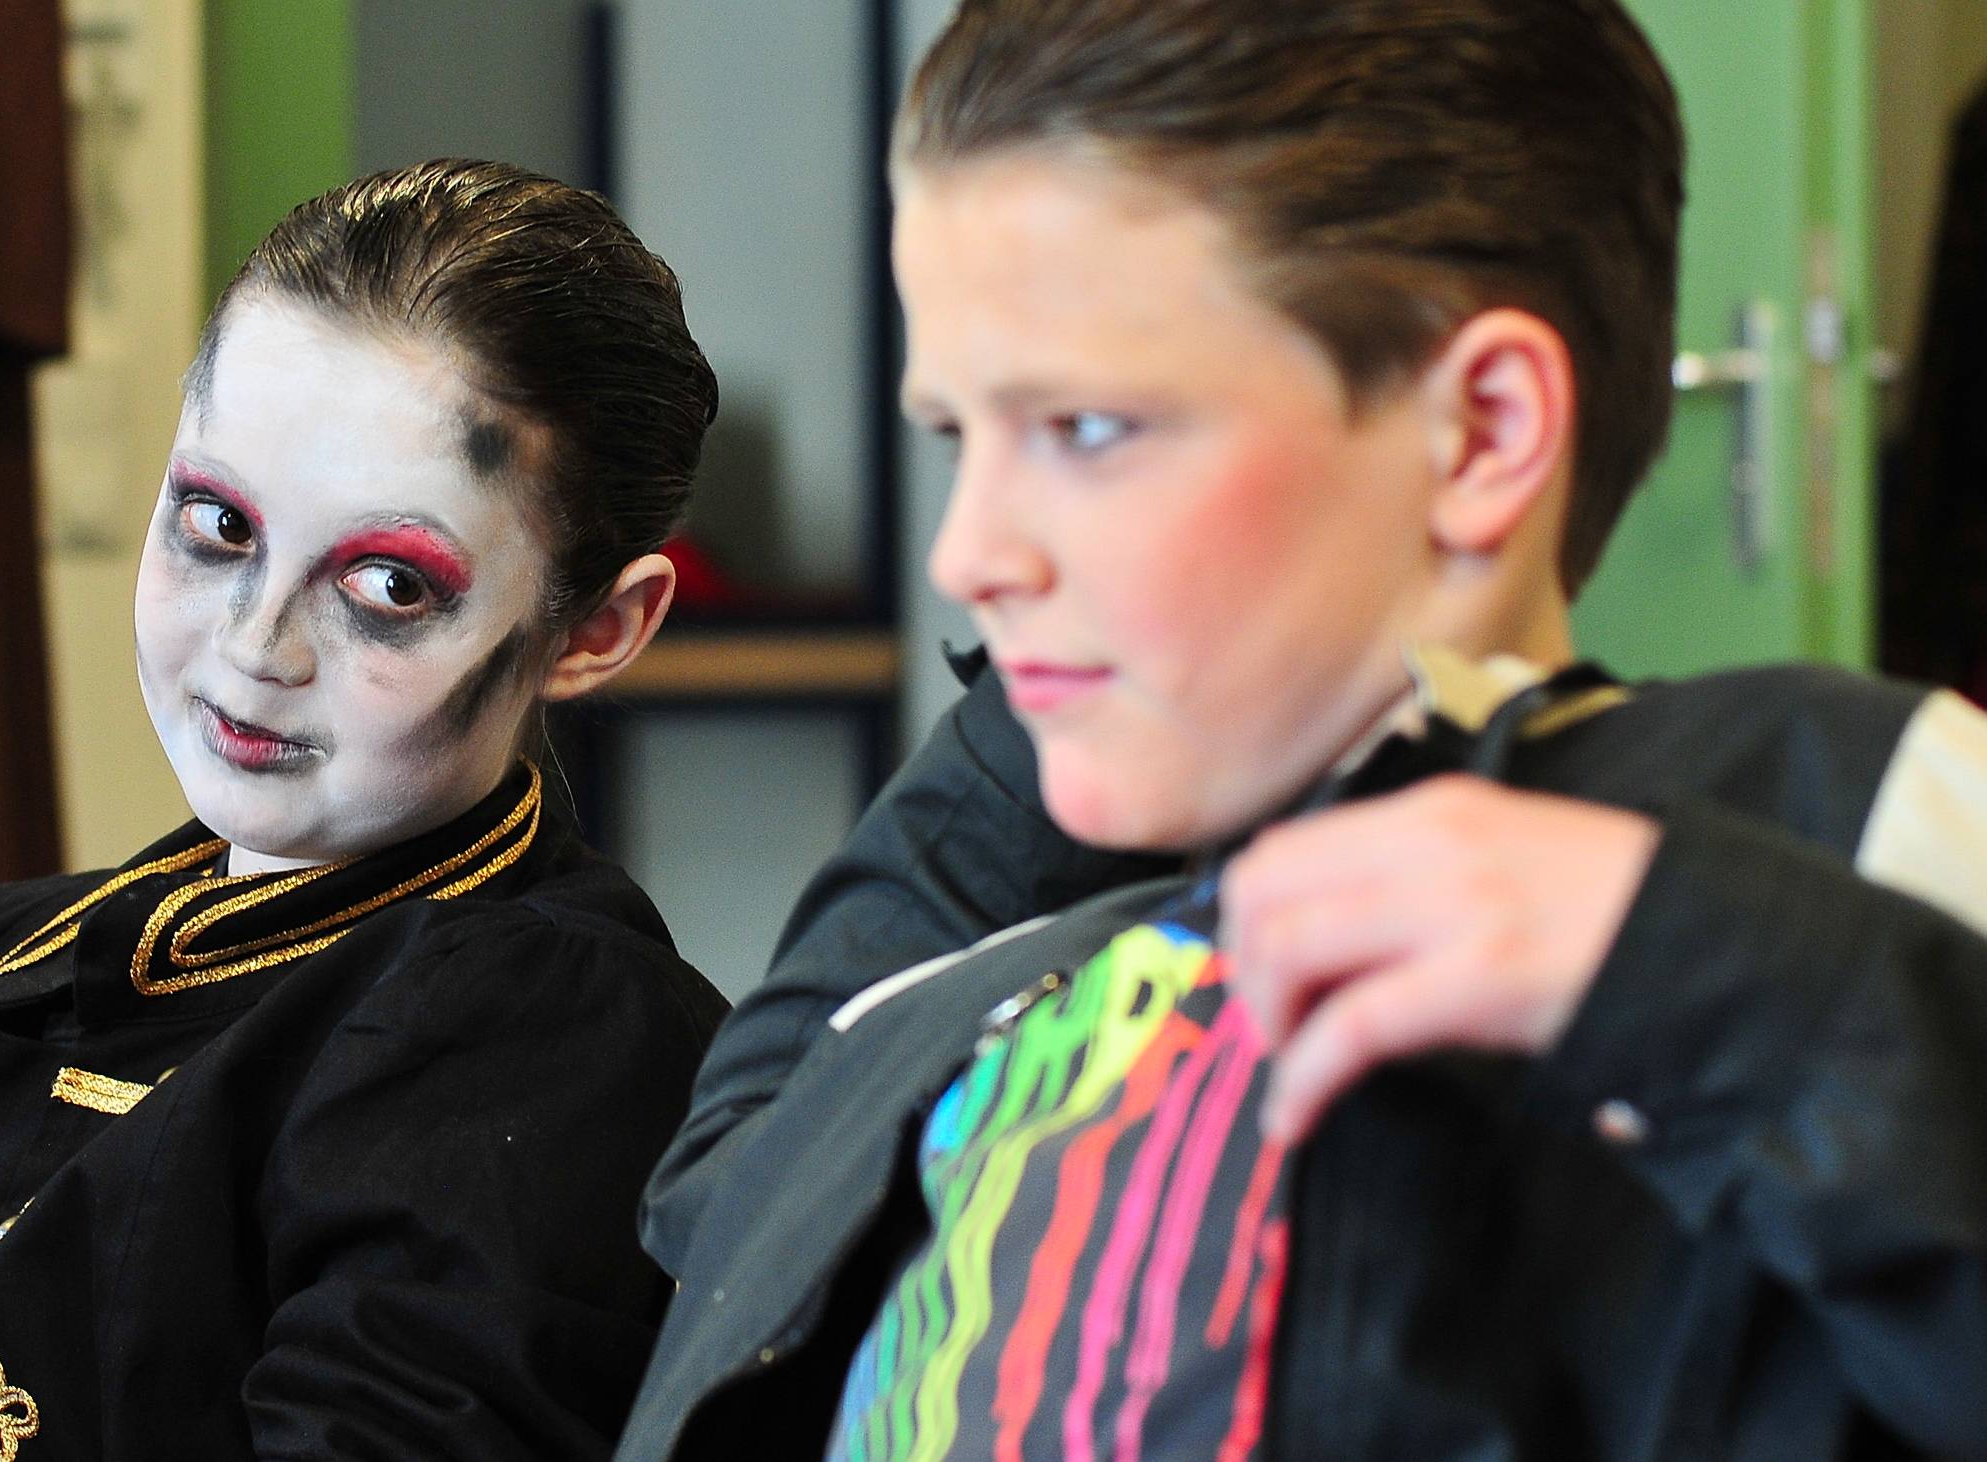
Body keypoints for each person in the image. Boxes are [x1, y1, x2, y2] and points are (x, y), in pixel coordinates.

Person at [617, 3, 1987, 1459]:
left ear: (1482, 432)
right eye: (962, 435)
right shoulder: (979, 937)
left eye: (1085, 430)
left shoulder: (1824, 818)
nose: (968, 554)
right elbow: (726, 1207)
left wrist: (1687, 972)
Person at [0, 159, 727, 1462]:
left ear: (598, 629)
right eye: (217, 522)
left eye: (388, 585)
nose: (256, 645)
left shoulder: (558, 1035)